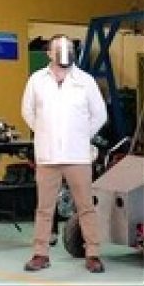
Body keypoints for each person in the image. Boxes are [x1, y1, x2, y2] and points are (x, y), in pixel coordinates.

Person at [21, 34, 107, 273]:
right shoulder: (37, 80)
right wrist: (45, 132)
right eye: (59, 48)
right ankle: (40, 254)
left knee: (85, 206)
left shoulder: (85, 81)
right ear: (49, 53)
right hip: (47, 156)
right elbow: (27, 111)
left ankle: (93, 254)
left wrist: (80, 135)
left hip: (77, 155)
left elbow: (99, 114)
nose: (64, 52)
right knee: (44, 207)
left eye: (68, 48)